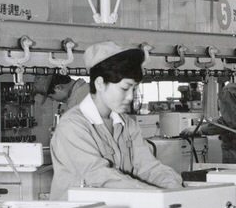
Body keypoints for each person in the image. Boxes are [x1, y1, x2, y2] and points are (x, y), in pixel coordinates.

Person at [49, 41, 183, 198]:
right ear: (100, 83)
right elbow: (99, 176)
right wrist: (156, 195)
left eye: (134, 89)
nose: (130, 97)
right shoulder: (72, 126)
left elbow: (147, 167)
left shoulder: (127, 124)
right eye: (125, 88)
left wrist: (173, 187)